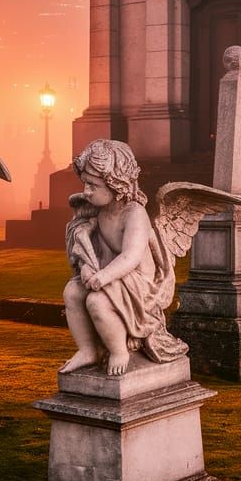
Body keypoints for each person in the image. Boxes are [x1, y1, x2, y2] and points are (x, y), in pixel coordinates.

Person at [62, 139, 187, 376]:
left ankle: (119, 351)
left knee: (96, 302)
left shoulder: (134, 214)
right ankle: (88, 350)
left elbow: (131, 256)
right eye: (85, 184)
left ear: (115, 183)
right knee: (72, 292)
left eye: (92, 185)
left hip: (139, 284)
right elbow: (90, 248)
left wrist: (103, 277)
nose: (86, 192)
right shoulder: (98, 210)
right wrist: (88, 268)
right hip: (111, 273)